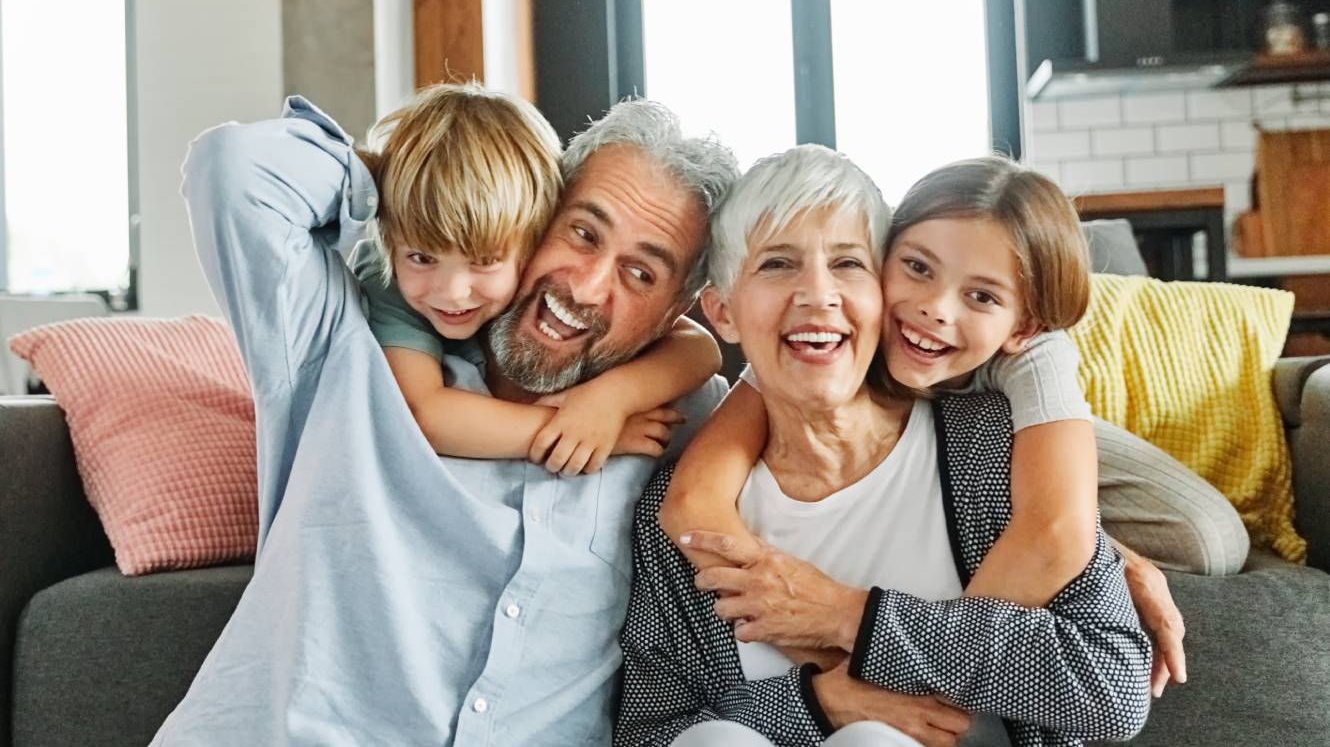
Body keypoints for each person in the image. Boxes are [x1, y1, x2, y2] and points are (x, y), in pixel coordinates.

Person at [151, 94, 737, 745]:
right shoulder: (339, 342)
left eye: (639, 272)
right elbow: (232, 170)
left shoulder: (685, 419)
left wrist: (619, 393)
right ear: (534, 210)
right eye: (581, 232)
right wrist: (424, 175)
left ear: (673, 308)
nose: (588, 286)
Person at [617, 149, 1152, 746]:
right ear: (722, 312)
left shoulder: (992, 448)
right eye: (776, 265)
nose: (818, 296)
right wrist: (820, 703)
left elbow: (1114, 687)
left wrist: (853, 617)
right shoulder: (681, 510)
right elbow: (648, 731)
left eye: (847, 263)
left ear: (878, 289)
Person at [346, 83, 722, 476]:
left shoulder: (699, 423)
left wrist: (611, 400)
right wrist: (578, 430)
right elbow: (422, 413)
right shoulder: (386, 275)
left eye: (640, 273)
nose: (453, 291)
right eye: (584, 234)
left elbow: (699, 348)